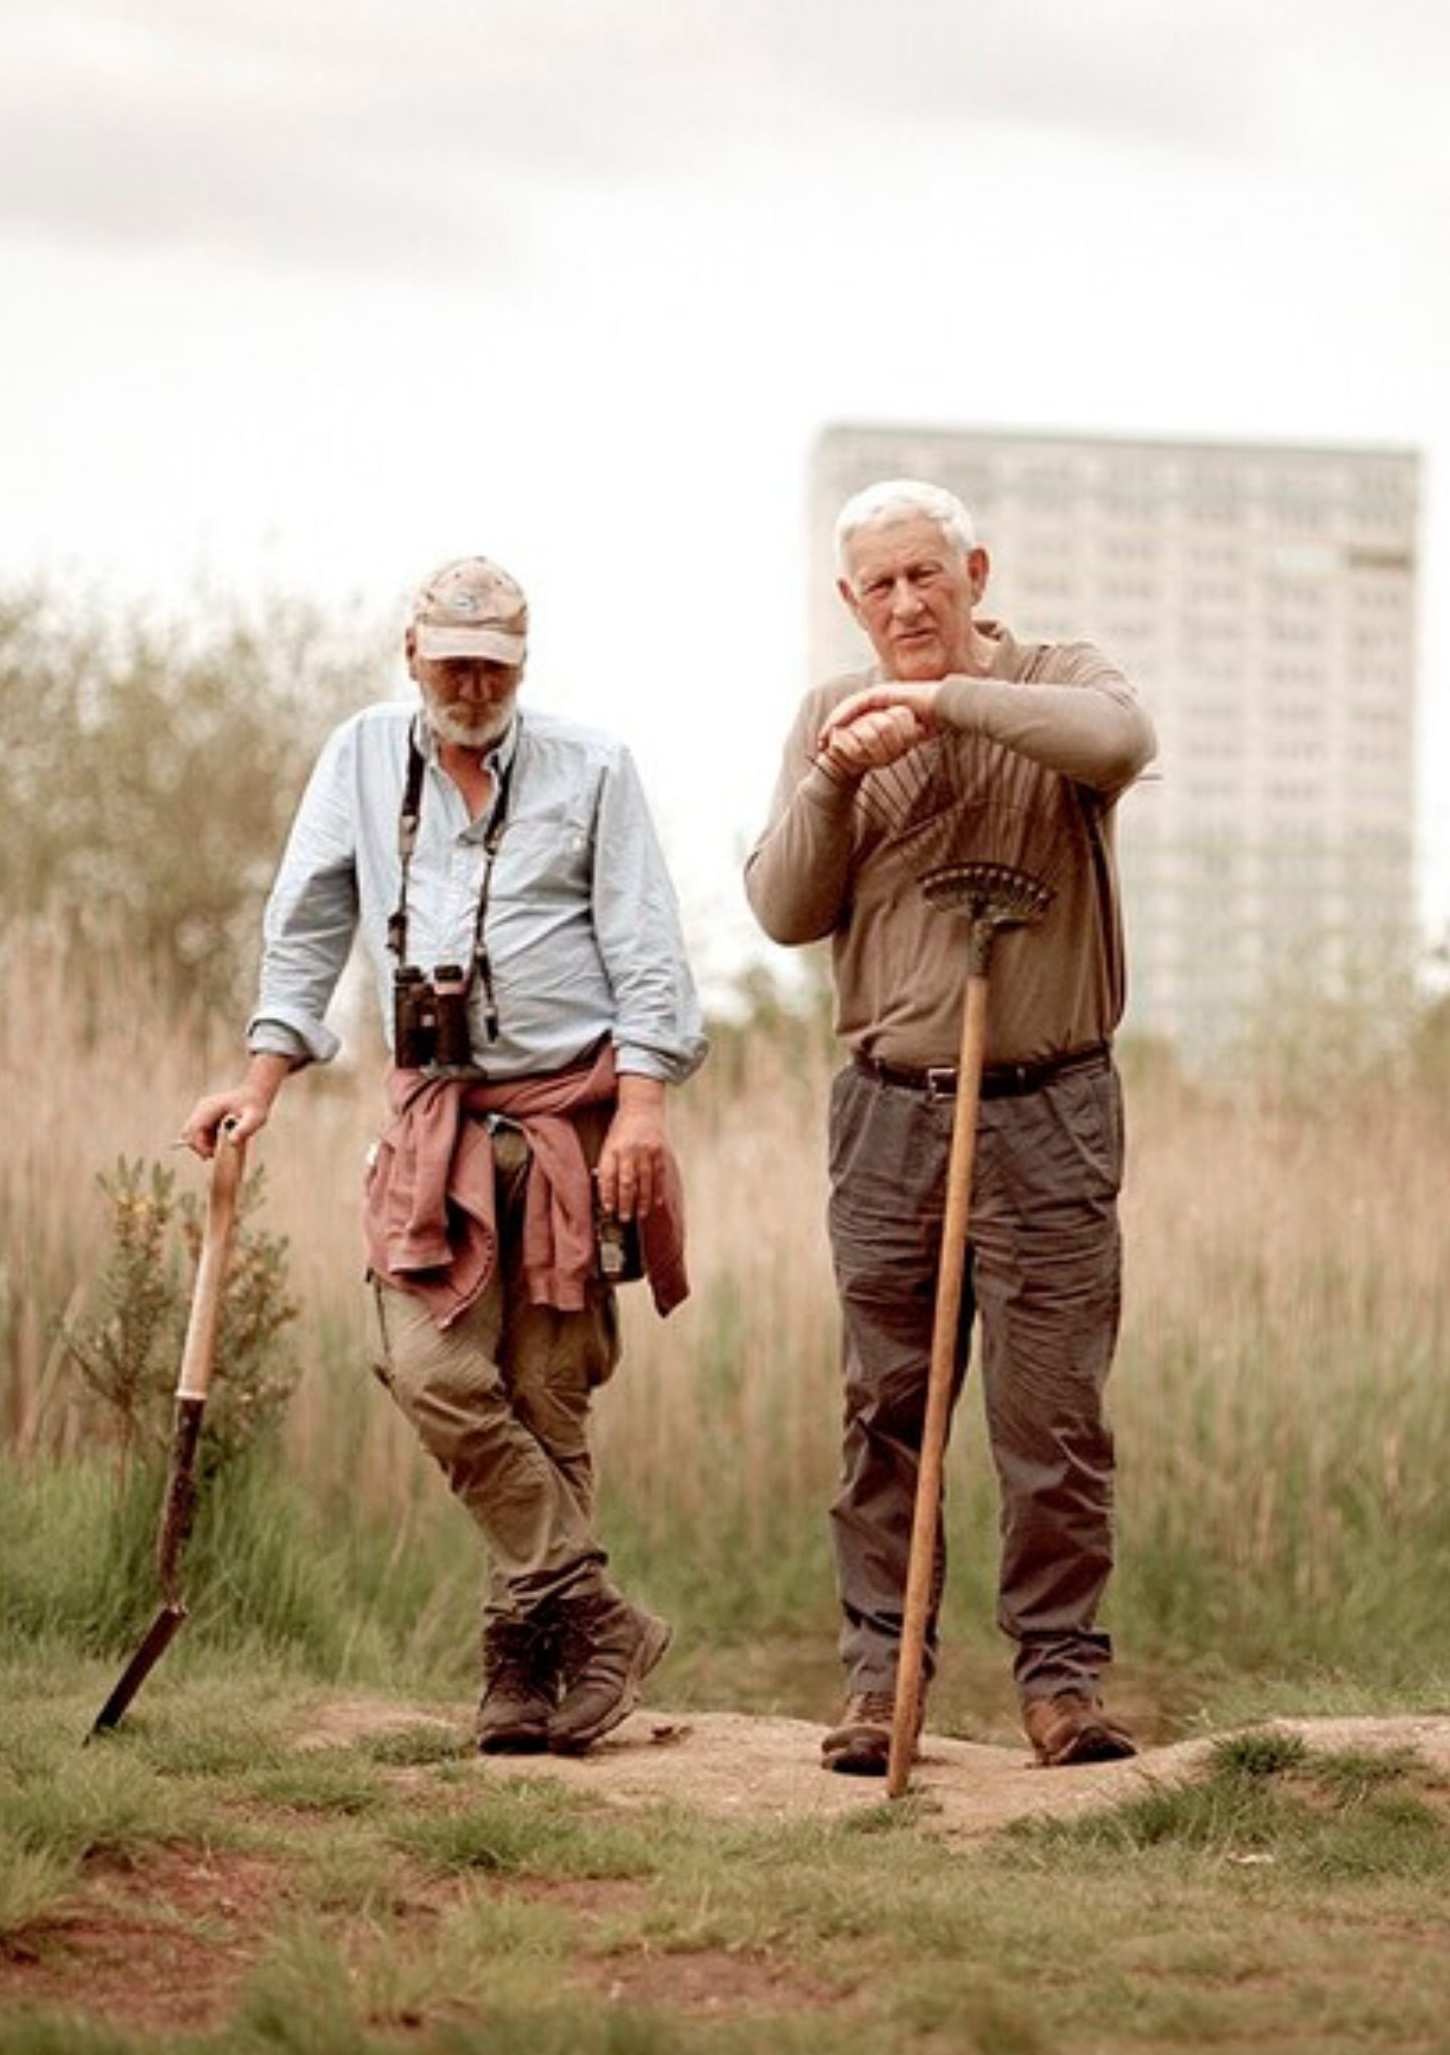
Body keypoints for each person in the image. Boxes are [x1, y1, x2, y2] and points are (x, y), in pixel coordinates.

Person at [183, 555, 706, 1757]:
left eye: (494, 664)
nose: (472, 683)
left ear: (525, 663)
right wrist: (260, 1081)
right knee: (425, 1367)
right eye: (452, 659)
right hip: (435, 1123)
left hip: (573, 1120)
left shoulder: (596, 767)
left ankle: (527, 1683)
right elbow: (309, 924)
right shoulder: (361, 757)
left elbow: (646, 945)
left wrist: (643, 1109)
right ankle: (593, 1606)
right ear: (407, 651)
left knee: (548, 1395)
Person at [745, 479, 1156, 1775]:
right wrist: (829, 778)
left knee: (1050, 1420)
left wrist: (938, 703)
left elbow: (1115, 742)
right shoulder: (827, 716)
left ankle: (1058, 1685)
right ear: (847, 601)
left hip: (1048, 1110)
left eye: (928, 574)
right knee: (886, 1415)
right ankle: (878, 1683)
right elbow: (779, 905)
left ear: (973, 569)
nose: (907, 602)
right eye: (880, 585)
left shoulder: (1056, 678)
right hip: (889, 1116)